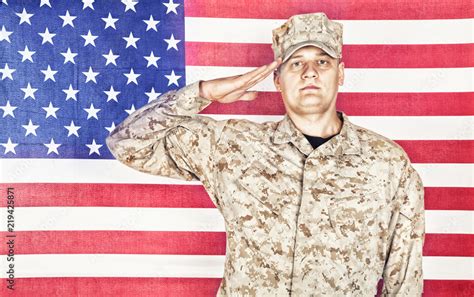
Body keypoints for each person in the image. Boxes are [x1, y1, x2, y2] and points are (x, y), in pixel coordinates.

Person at [106, 12, 425, 296]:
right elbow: (127, 144)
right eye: (296, 63)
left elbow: (405, 284)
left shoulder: (388, 164)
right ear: (277, 79)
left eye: (323, 62)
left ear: (340, 73)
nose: (310, 72)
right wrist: (202, 93)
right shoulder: (232, 146)